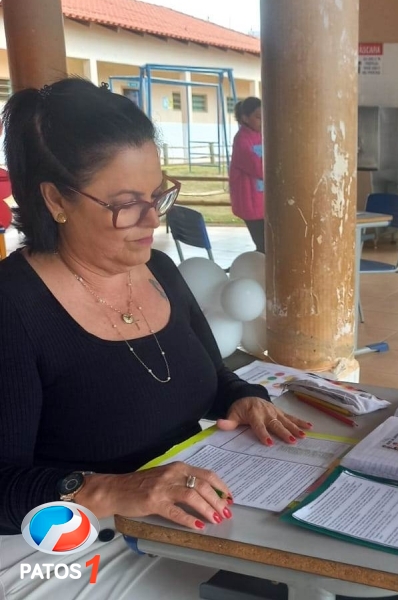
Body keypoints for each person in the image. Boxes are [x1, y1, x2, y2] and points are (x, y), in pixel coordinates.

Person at [0, 79, 311, 599]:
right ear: (55, 199)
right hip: (65, 549)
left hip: (181, 521)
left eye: (157, 194)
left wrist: (245, 398)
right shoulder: (13, 310)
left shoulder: (160, 270)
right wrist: (110, 489)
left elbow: (212, 379)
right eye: (126, 204)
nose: (152, 220)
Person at [229, 96, 265, 253]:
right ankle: (258, 273)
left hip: (262, 203)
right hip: (250, 204)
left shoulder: (260, 136)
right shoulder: (242, 140)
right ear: (245, 118)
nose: (262, 121)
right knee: (264, 246)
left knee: (266, 244)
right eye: (258, 117)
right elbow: (260, 169)